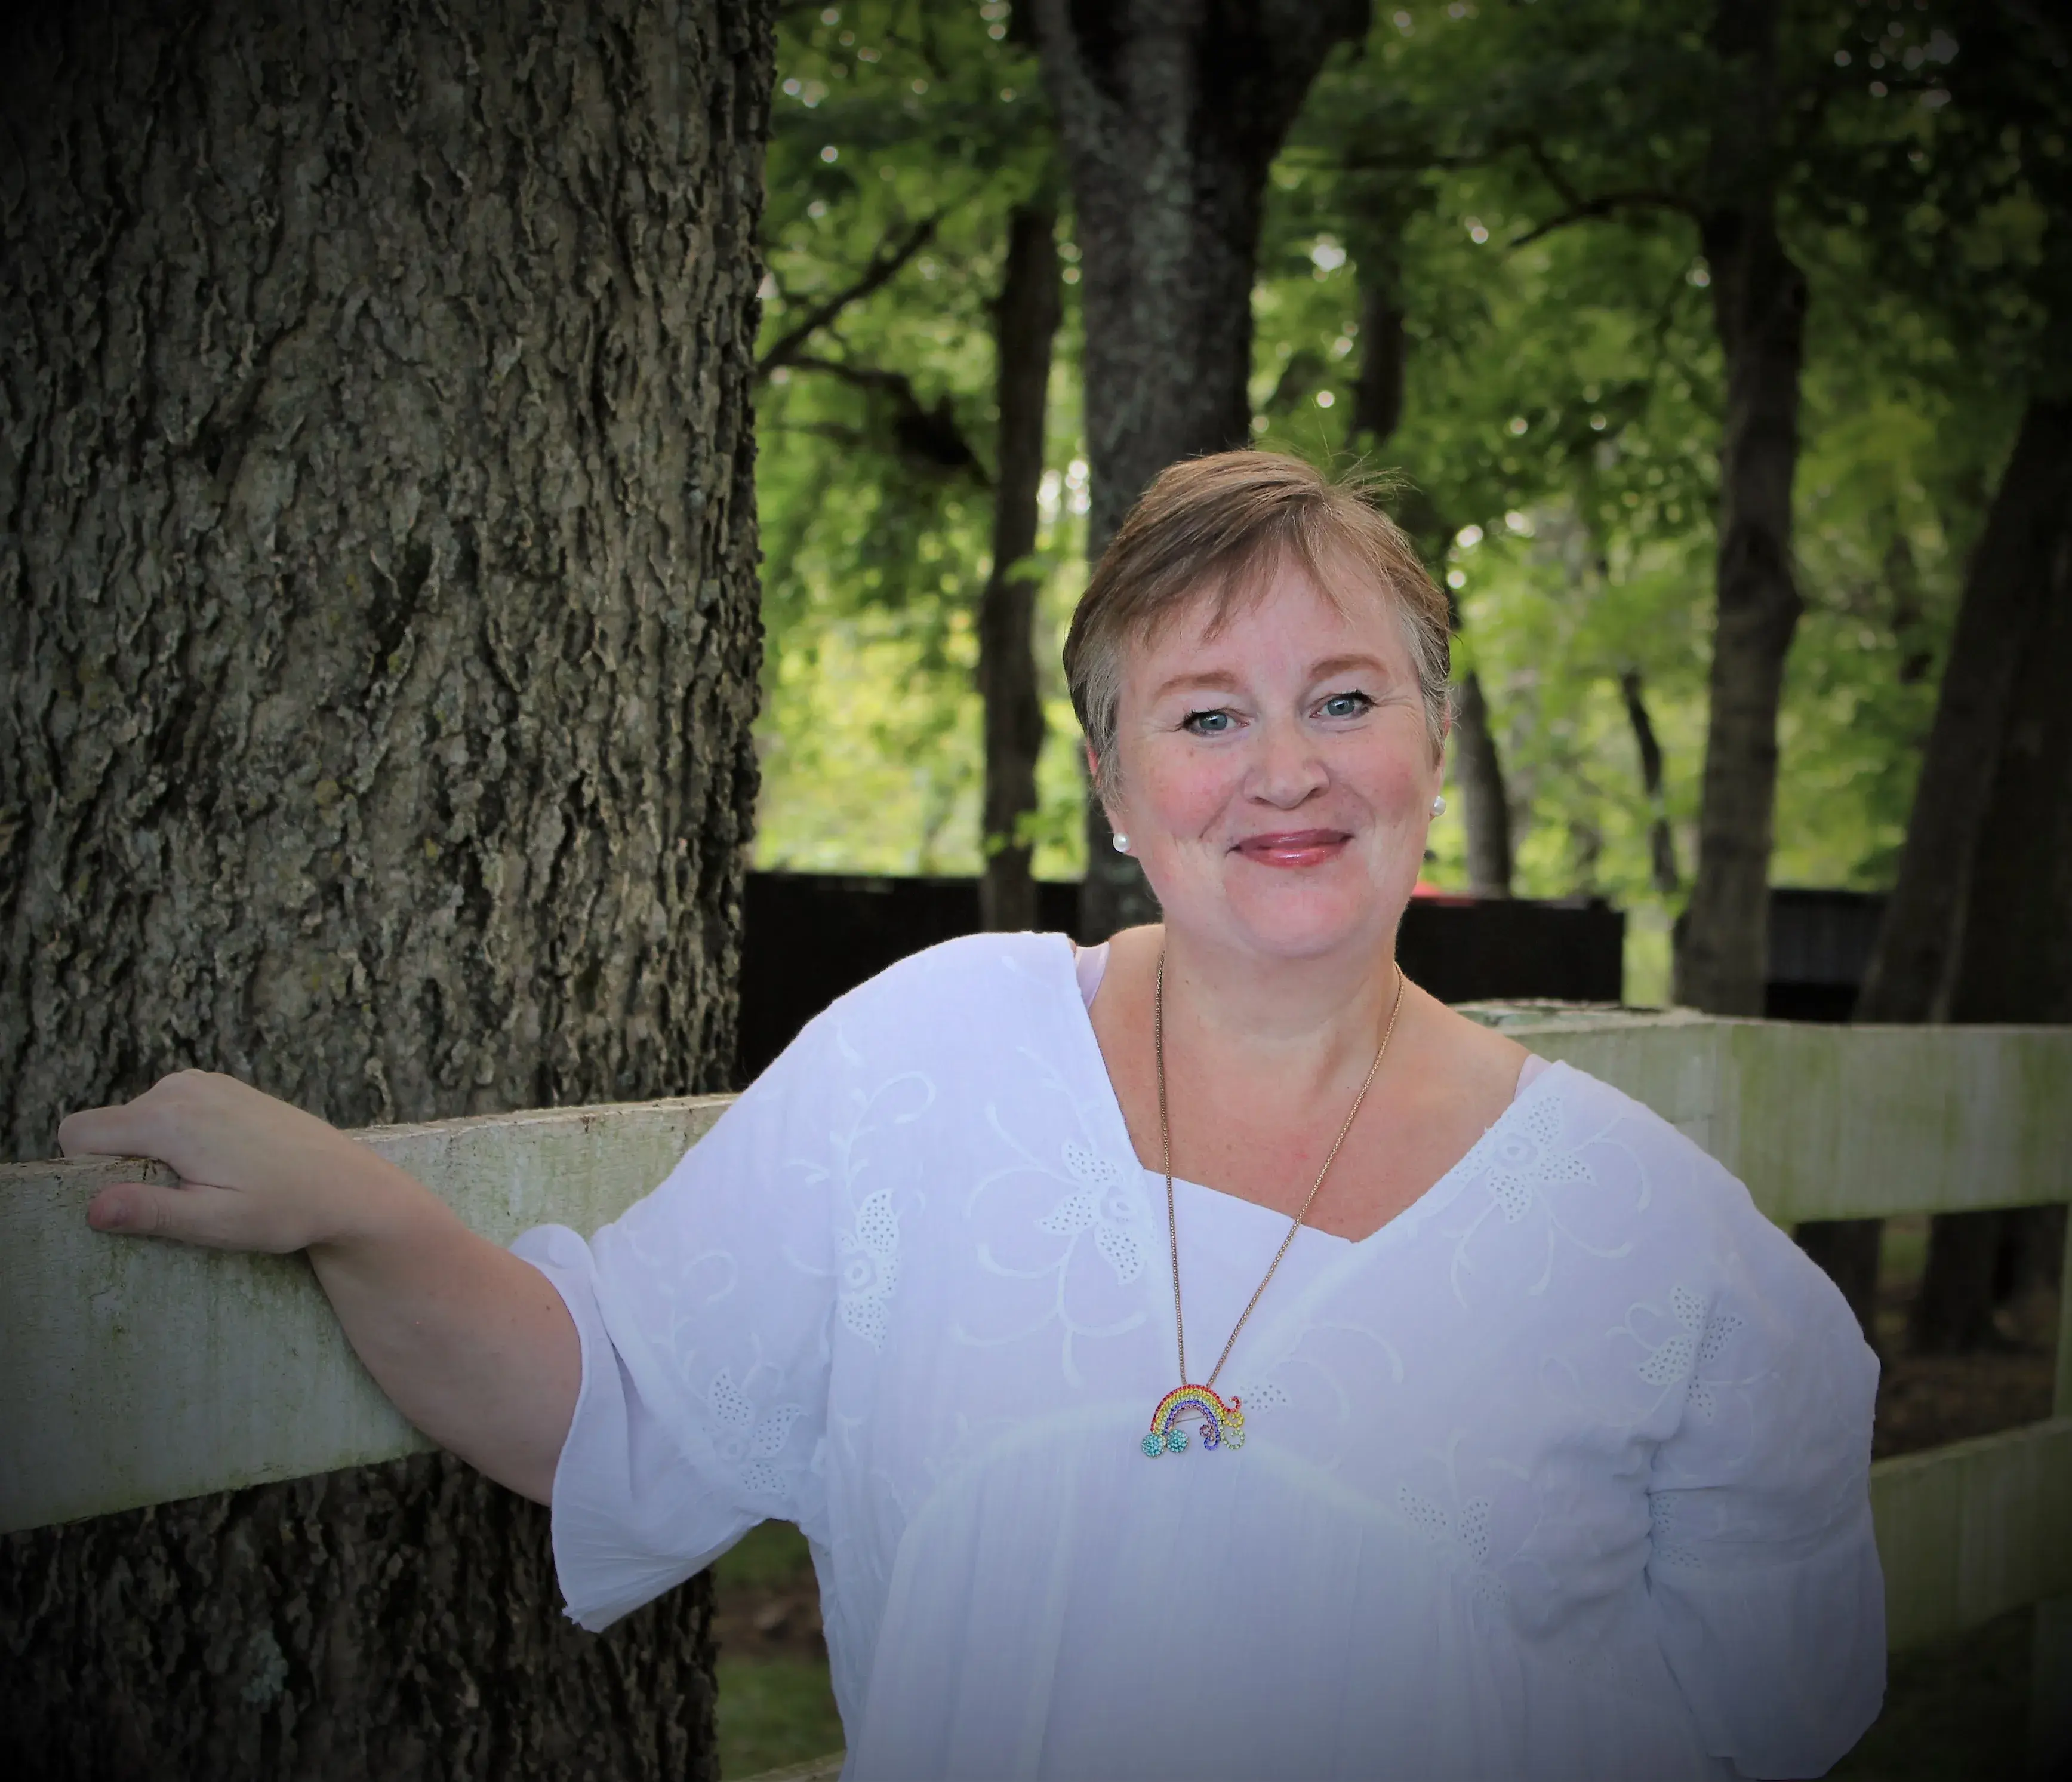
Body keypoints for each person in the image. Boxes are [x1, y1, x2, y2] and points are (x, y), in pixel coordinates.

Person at [61, 452, 1883, 1780]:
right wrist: (359, 1209)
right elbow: (599, 1408)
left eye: (1344, 696)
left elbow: (1772, 1718)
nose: (1284, 769)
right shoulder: (925, 1065)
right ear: (1112, 783)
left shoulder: (1653, 1242)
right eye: (1202, 713)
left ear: (1427, 734)